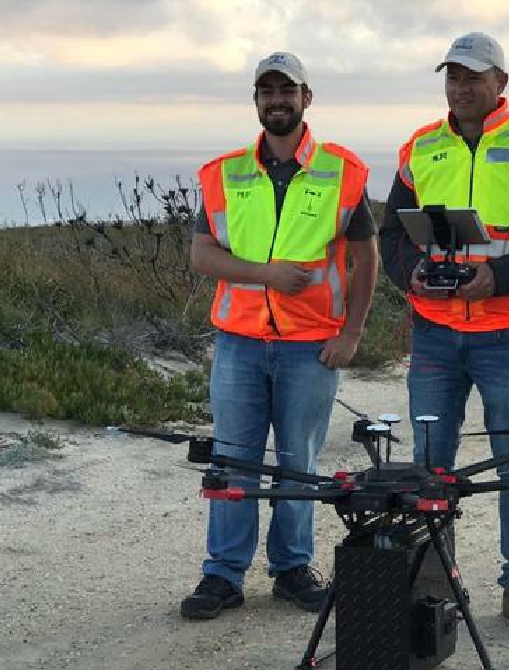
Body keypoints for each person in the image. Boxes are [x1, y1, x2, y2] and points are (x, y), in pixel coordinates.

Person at [379, 32, 509, 635]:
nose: (461, 86)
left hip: (507, 333)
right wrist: (411, 275)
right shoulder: (420, 147)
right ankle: (432, 580)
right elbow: (390, 233)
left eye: (474, 76)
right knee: (430, 466)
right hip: (436, 333)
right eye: (453, 76)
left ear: (501, 82)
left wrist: (497, 278)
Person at [181, 51, 379, 620]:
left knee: (298, 462)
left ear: (306, 98)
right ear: (257, 101)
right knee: (235, 461)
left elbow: (367, 261)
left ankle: (292, 567)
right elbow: (202, 255)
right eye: (267, 92)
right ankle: (222, 575)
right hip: (240, 346)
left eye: (287, 91)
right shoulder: (227, 173)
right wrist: (265, 274)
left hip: (310, 347)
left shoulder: (342, 172)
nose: (277, 101)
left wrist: (352, 334)